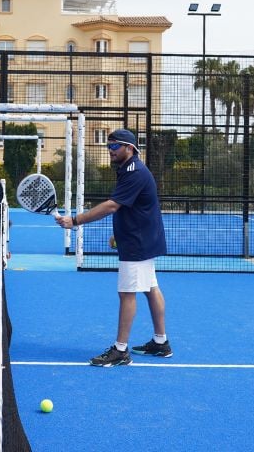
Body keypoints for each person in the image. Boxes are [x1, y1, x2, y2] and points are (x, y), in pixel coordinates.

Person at [55, 128, 172, 367]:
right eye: (109, 146)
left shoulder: (134, 171)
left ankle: (120, 351)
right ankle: (161, 342)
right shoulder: (128, 170)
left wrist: (75, 221)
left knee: (127, 293)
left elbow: (111, 206)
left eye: (114, 146)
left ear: (130, 148)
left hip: (138, 243)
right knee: (151, 287)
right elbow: (130, 207)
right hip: (141, 238)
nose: (110, 150)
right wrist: (118, 234)